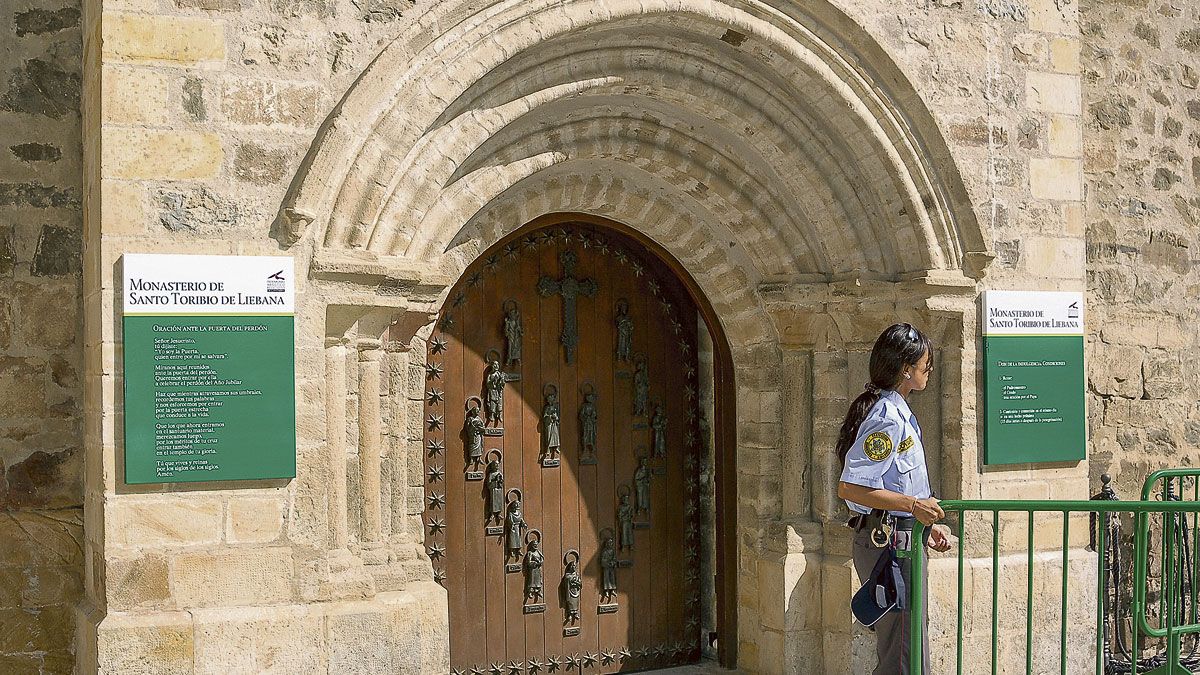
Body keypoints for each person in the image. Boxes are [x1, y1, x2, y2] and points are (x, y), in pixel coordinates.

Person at [837, 323, 954, 675]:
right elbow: (851, 488)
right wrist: (913, 507)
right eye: (924, 365)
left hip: (902, 537)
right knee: (901, 652)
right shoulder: (887, 417)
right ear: (906, 369)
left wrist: (920, 521)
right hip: (886, 543)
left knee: (908, 644)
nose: (929, 369)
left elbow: (898, 483)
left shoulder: (898, 412)